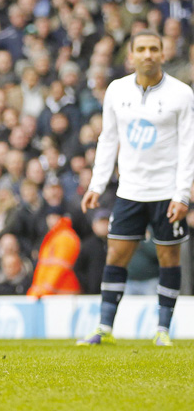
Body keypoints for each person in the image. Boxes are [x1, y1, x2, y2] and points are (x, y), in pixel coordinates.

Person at [77, 30, 194, 347]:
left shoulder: (181, 94)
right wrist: (97, 184)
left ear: (163, 54)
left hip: (166, 192)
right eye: (141, 49)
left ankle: (163, 330)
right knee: (115, 255)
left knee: (169, 258)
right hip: (129, 191)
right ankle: (104, 328)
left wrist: (183, 193)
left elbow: (188, 147)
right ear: (130, 55)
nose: (147, 54)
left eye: (153, 49)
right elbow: (108, 139)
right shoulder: (116, 90)